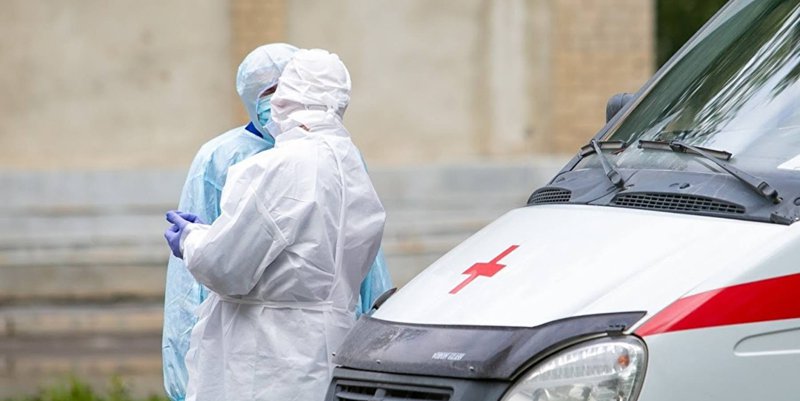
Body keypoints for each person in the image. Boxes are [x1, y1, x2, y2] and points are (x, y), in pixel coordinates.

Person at [161, 44, 391, 401]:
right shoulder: (347, 163)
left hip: (269, 357)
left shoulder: (283, 164)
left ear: (287, 97)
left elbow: (226, 267)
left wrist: (191, 239)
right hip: (328, 348)